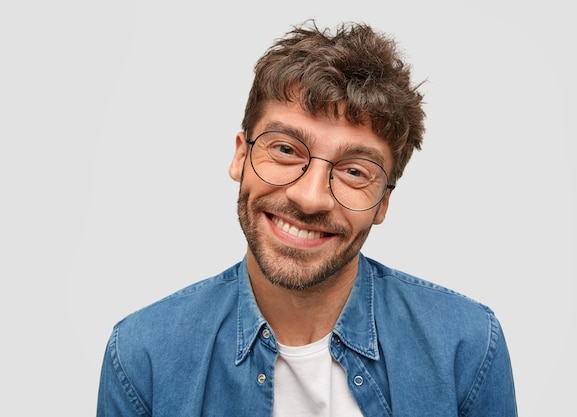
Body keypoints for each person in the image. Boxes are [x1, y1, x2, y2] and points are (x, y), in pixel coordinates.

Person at [97, 20, 517, 416]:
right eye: (285, 149)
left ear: (383, 202)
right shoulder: (141, 356)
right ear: (241, 156)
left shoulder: (469, 346)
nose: (310, 197)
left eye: (355, 171)